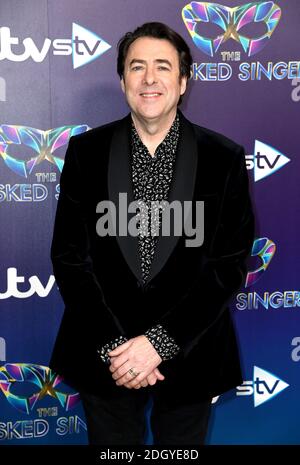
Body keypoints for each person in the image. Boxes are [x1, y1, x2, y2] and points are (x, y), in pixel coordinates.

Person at [49, 22, 255, 445]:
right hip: (107, 356)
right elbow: (70, 257)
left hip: (193, 354)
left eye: (163, 67)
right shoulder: (86, 153)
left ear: (183, 81)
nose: (149, 79)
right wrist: (118, 347)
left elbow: (226, 266)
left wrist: (158, 343)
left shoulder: (224, 158)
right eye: (136, 66)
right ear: (123, 79)